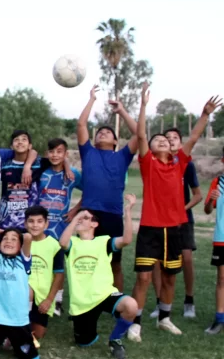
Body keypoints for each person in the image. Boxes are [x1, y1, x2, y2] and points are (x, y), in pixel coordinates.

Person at [128, 84, 220, 341]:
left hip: (175, 228)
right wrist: (144, 105)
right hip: (150, 228)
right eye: (158, 139)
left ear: (171, 149)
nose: (162, 141)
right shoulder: (148, 164)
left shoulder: (179, 163)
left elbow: (191, 139)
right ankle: (135, 323)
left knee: (169, 278)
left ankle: (165, 319)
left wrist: (205, 115)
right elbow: (143, 136)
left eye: (165, 141)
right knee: (144, 278)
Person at [72, 85, 139, 291]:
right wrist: (91, 99)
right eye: (100, 132)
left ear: (116, 141)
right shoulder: (88, 153)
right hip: (89, 214)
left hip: (112, 214)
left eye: (108, 132)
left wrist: (122, 111)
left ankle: (115, 297)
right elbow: (81, 124)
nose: (103, 133)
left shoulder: (122, 156)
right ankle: (87, 298)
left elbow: (139, 134)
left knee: (115, 263)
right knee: (85, 260)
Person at [60, 195, 138, 359]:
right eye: (81, 217)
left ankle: (115, 339)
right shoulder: (73, 243)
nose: (82, 219)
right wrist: (76, 219)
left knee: (131, 305)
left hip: (104, 294)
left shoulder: (104, 242)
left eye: (86, 218)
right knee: (84, 342)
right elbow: (62, 243)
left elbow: (127, 239)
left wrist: (128, 211)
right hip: (82, 302)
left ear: (95, 224)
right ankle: (84, 327)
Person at [150, 127, 202, 319]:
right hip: (160, 220)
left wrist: (182, 210)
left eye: (175, 138)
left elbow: (198, 195)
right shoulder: (153, 164)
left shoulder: (186, 165)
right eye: (167, 137)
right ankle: (159, 302)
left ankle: (189, 301)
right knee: (157, 262)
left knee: (186, 259)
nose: (171, 140)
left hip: (183, 220)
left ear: (181, 144)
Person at [0, 227, 37, 359]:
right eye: (5, 238)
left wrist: (15, 231)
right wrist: (7, 230)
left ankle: (11, 342)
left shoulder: (24, 260)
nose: (8, 241)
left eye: (14, 239)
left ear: (20, 245)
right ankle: (3, 341)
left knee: (28, 355)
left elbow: (28, 237)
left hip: (17, 318)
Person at [37, 137, 82, 315]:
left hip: (60, 227)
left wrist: (74, 211)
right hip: (39, 227)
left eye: (59, 152)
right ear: (47, 153)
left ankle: (57, 301)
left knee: (58, 264)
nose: (55, 155)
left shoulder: (73, 175)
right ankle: (38, 296)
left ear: (65, 154)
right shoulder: (42, 172)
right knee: (39, 262)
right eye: (52, 151)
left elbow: (91, 192)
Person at [25, 206, 64, 342]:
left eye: (39, 221)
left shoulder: (54, 245)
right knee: (23, 329)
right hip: (23, 294)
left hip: (43, 296)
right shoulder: (20, 241)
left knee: (38, 334)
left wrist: (49, 300)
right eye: (31, 221)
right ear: (25, 223)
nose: (35, 225)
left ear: (46, 224)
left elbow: (58, 275)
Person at [204, 157, 224, 334]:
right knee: (222, 279)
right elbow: (207, 210)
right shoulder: (218, 182)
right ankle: (219, 319)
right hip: (222, 238)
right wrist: (211, 200)